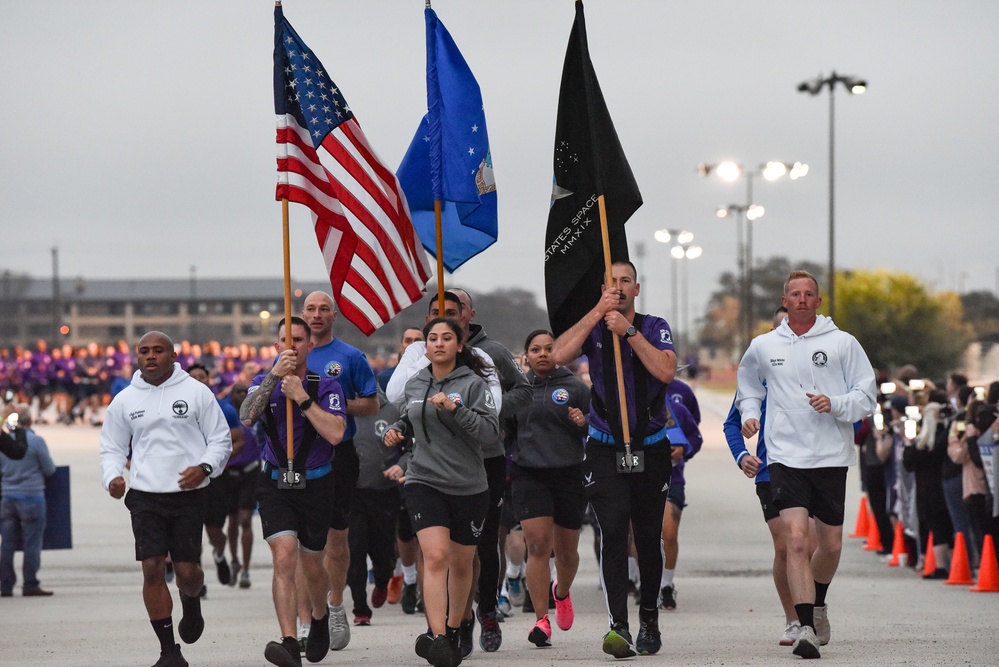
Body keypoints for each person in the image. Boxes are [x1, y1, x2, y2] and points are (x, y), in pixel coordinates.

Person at [737, 270, 876, 659]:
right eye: (794, 294)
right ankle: (805, 629)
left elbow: (866, 397)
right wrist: (750, 413)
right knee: (796, 540)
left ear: (818, 301)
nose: (801, 299)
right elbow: (747, 386)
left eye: (808, 294)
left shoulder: (842, 343)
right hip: (785, 455)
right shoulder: (764, 346)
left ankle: (819, 603)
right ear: (785, 301)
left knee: (829, 545)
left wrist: (835, 403)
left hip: (831, 456)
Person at [551, 260, 678, 659]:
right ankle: (618, 626)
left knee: (647, 536)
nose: (618, 288)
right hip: (605, 447)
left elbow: (666, 371)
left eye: (625, 282)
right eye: (611, 283)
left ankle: (649, 619)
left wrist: (630, 332)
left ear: (636, 289)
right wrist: (596, 314)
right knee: (612, 530)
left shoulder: (654, 325)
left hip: (650, 446)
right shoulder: (594, 327)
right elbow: (558, 354)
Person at [99, 331, 233, 667]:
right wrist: (113, 476)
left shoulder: (197, 393)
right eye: (144, 351)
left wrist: (205, 468)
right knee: (152, 569)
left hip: (188, 496)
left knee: (187, 573)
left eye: (158, 351)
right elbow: (112, 447)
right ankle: (169, 651)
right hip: (145, 496)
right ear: (137, 356)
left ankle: (191, 602)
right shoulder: (126, 400)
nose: (151, 356)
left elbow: (220, 441)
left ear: (173, 356)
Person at [382, 317, 498, 667]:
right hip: (424, 480)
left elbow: (491, 435)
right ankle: (439, 637)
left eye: (447, 338)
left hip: (469, 485)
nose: (439, 343)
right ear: (426, 346)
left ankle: (457, 623)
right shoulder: (416, 382)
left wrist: (455, 408)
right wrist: (398, 429)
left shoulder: (474, 384)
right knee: (435, 557)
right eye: (432, 338)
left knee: (462, 565)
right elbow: (410, 417)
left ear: (459, 345)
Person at [239, 316, 347, 667]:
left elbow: (335, 434)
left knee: (313, 563)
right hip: (274, 482)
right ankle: (288, 641)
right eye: (285, 339)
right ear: (276, 345)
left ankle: (318, 618)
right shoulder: (262, 382)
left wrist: (301, 399)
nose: (292, 345)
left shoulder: (326, 386)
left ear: (310, 345)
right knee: (284, 556)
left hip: (316, 481)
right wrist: (273, 378)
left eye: (299, 340)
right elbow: (247, 416)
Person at [444, 288, 532, 656]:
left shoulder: (492, 352)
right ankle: (458, 620)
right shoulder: (430, 352)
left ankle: (488, 610)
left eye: (455, 309)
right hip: (444, 461)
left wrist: (490, 411)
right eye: (439, 310)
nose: (448, 314)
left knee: (485, 540)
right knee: (450, 546)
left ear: (469, 313)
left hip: (488, 457)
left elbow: (524, 392)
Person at [724, 305, 810, 646]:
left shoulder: (821, 370)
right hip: (770, 471)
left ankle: (814, 608)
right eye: (781, 328)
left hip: (815, 466)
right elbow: (732, 422)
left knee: (815, 546)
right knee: (789, 544)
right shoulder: (758, 375)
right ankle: (794, 619)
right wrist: (742, 454)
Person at [301, 291, 378, 652]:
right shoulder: (292, 354)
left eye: (323, 309)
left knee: (335, 538)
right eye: (310, 310)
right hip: (297, 455)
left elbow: (372, 403)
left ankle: (334, 604)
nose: (317, 315)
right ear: (302, 315)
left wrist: (333, 402)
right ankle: (306, 618)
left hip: (338, 454)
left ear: (334, 315)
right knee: (300, 542)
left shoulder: (350, 357)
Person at [509, 329, 589, 648]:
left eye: (549, 348)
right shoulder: (518, 389)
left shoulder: (575, 387)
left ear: (560, 352)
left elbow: (595, 424)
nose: (542, 353)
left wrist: (582, 421)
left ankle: (562, 592)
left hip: (569, 473)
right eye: (535, 349)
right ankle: (542, 620)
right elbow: (506, 429)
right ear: (526, 355)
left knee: (566, 553)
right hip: (529, 474)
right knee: (539, 547)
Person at [345, 387, 402, 626]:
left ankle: (382, 580)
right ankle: (360, 608)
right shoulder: (343, 409)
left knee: (382, 552)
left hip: (385, 492)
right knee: (354, 552)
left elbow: (411, 447)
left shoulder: (393, 411)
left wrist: (403, 466)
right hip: (353, 493)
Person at [187, 364, 245, 588]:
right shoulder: (176, 408)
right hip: (186, 477)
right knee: (189, 532)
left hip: (215, 478)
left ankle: (220, 554)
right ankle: (195, 580)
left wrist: (216, 460)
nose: (198, 381)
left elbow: (238, 440)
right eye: (193, 378)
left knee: (213, 530)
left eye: (202, 377)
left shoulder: (224, 409)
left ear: (209, 380)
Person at [0, 405, 56, 597]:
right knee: (32, 543)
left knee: (6, 543)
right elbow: (49, 469)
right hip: (32, 498)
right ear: (29, 420)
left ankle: (6, 585)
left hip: (7, 498)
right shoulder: (36, 441)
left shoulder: (3, 441)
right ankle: (30, 583)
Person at [658, 399, 702, 612]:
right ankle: (640, 580)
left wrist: (683, 450)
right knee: (638, 534)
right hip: (638, 477)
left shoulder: (679, 402)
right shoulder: (631, 401)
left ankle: (666, 584)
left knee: (669, 532)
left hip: (672, 478)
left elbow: (695, 436)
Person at [225, 381, 263, 589]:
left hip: (251, 472)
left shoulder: (256, 415)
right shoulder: (227, 418)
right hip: (229, 473)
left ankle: (246, 569)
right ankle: (234, 561)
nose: (241, 396)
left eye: (244, 392)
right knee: (231, 521)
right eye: (237, 392)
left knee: (245, 520)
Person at [376, 327, 425, 391]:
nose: (413, 345)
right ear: (401, 346)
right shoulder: (384, 378)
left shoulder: (433, 376)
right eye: (408, 341)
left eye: (417, 341)